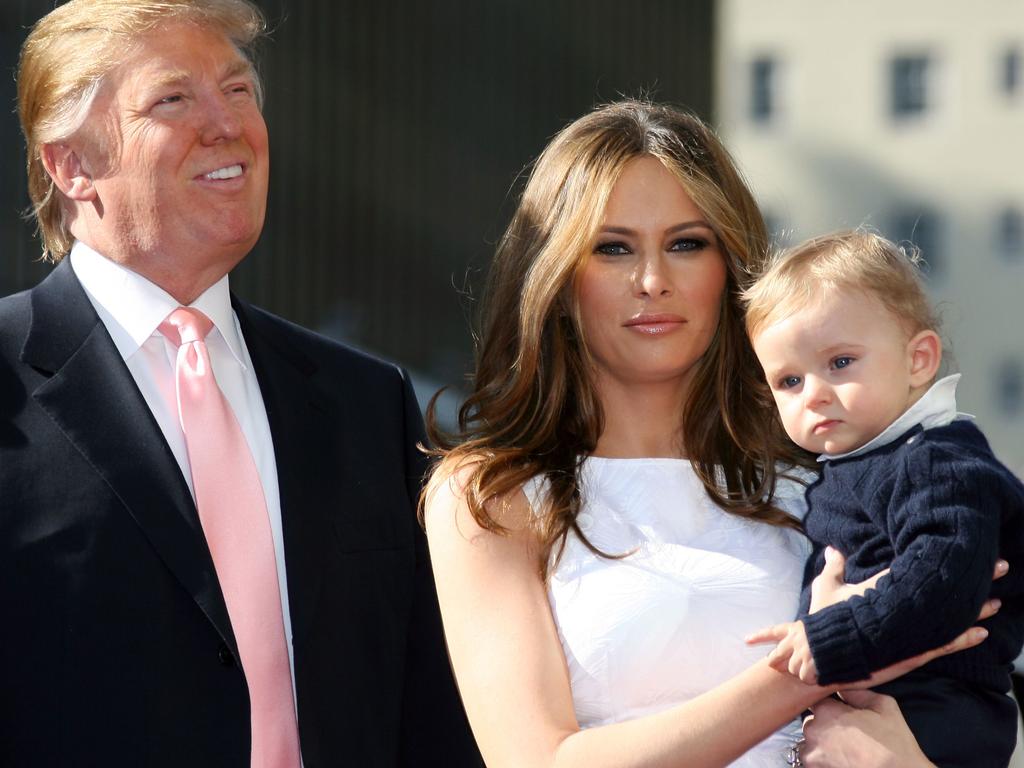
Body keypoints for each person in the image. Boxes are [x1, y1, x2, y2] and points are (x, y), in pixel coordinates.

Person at [421, 100, 998, 768]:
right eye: (612, 248)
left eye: (686, 244)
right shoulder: (491, 496)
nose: (653, 282)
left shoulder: (832, 467)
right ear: (556, 276)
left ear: (731, 265)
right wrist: (825, 653)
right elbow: (537, 761)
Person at [2, 1, 481, 766]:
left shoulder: (366, 403)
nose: (226, 124)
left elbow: (427, 711)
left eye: (238, 90)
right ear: (73, 165)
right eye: (173, 99)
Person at [742, 230, 1024, 767]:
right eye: (789, 380)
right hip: (885, 704)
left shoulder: (935, 460)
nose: (816, 393)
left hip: (941, 710)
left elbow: (944, 577)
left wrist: (833, 638)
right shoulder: (862, 460)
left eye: (841, 362)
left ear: (918, 360)